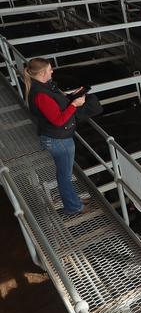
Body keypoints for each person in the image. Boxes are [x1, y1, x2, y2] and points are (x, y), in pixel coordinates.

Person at [24, 58, 89, 215]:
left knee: (64, 173)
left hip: (57, 138)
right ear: (42, 73)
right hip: (58, 140)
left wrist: (71, 97)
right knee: (64, 176)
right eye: (50, 69)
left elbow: (54, 107)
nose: (52, 71)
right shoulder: (40, 94)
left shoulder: (42, 88)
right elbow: (58, 120)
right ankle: (73, 207)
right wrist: (74, 105)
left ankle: (74, 201)